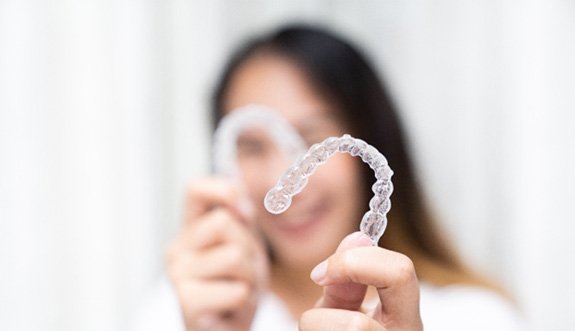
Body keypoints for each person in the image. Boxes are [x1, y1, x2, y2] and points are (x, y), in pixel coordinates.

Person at [132, 24, 524, 331]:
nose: (278, 178)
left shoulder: (477, 320)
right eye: (251, 147)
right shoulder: (179, 311)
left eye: (312, 138)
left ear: (369, 137)